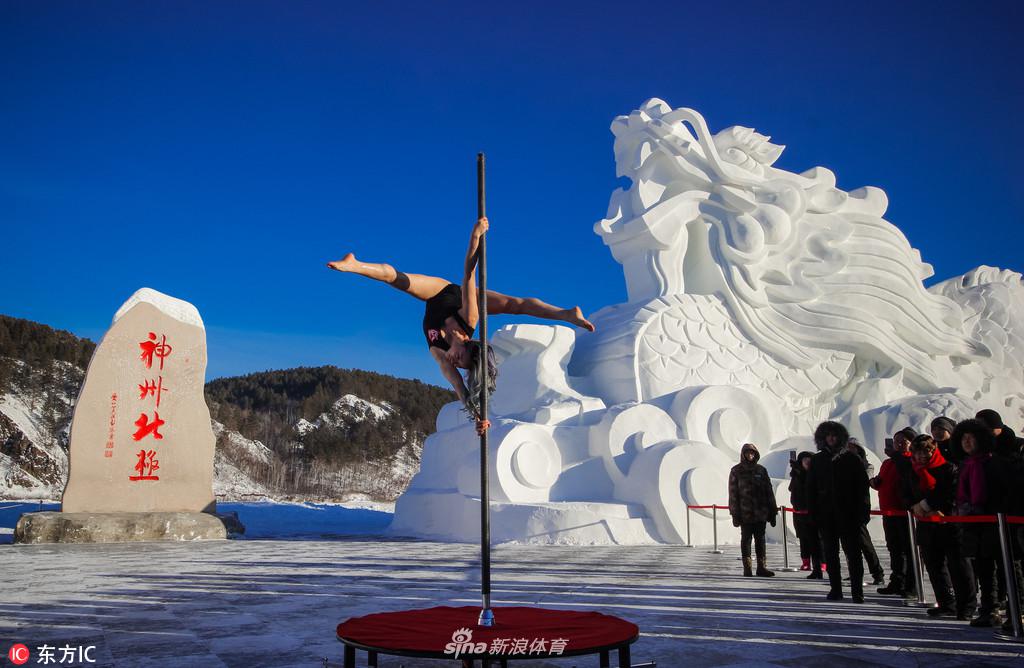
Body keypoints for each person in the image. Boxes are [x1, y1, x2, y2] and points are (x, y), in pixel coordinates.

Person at [328, 216, 594, 429]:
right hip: (448, 293)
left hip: (433, 301)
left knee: (516, 305)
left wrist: (478, 418)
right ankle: (355, 265)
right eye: (461, 359)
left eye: (458, 364)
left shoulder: (442, 356)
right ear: (468, 344)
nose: (455, 361)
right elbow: (468, 274)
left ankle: (570, 314)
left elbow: (460, 389)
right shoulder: (471, 318)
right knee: (401, 280)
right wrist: (476, 235)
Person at [909, 434, 976, 620]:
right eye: (919, 452)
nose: (923, 456)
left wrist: (927, 506)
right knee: (935, 566)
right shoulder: (913, 471)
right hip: (927, 525)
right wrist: (916, 506)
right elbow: (906, 493)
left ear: (934, 450)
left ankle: (967, 606)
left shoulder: (948, 468)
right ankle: (946, 603)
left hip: (950, 524)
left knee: (959, 567)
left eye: (927, 451)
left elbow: (949, 493)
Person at [806, 421, 870, 603]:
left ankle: (857, 591)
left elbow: (862, 488)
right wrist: (813, 514)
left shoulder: (852, 459)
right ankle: (836, 589)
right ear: (823, 438)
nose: (831, 438)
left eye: (834, 435)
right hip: (826, 515)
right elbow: (810, 488)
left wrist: (863, 513)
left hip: (849, 515)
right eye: (828, 435)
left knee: (854, 555)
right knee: (831, 554)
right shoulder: (818, 460)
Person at [952, 419, 1000, 627]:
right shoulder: (967, 464)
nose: (967, 442)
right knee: (982, 568)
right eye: (963, 438)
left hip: (989, 522)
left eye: (971, 438)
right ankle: (988, 608)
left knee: (995, 569)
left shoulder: (991, 463)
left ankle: (995, 609)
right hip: (972, 522)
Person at [871, 429, 915, 596]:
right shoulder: (888, 463)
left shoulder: (912, 460)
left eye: (903, 440)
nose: (899, 443)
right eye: (896, 440)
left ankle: (911, 585)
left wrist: (896, 456)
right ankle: (897, 581)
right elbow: (882, 482)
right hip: (889, 512)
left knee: (908, 550)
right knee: (895, 549)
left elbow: (908, 475)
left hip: (905, 514)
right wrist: (874, 482)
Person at [728, 443, 779, 577]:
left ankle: (761, 567)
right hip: (745, 513)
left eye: (752, 453)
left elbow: (769, 491)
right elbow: (733, 494)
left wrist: (772, 511)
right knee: (746, 540)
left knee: (760, 540)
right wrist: (734, 513)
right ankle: (747, 568)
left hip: (760, 512)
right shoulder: (736, 471)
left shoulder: (761, 470)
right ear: (743, 454)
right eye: (747, 453)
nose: (750, 455)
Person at [847, 438, 886, 586]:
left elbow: (865, 480)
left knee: (864, 542)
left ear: (859, 450)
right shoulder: (840, 465)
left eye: (852, 447)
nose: (849, 450)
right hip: (845, 507)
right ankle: (855, 572)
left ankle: (878, 573)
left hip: (860, 507)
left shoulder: (867, 466)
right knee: (849, 544)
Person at [789, 451, 825, 578]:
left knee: (819, 540)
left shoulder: (816, 474)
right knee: (803, 538)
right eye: (804, 460)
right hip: (799, 513)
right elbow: (792, 490)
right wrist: (796, 473)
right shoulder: (797, 474)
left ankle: (822, 563)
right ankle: (806, 562)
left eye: (809, 460)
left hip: (814, 512)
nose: (807, 462)